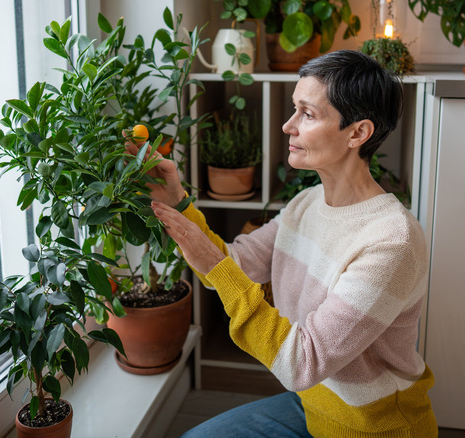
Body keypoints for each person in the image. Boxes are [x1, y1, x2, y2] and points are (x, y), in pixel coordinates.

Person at [132, 50, 438, 437]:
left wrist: (217, 266)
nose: (286, 126)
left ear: (357, 133)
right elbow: (230, 268)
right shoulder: (306, 203)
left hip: (372, 427)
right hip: (314, 404)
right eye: (294, 109)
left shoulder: (391, 241)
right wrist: (177, 199)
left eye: (307, 114)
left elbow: (300, 362)